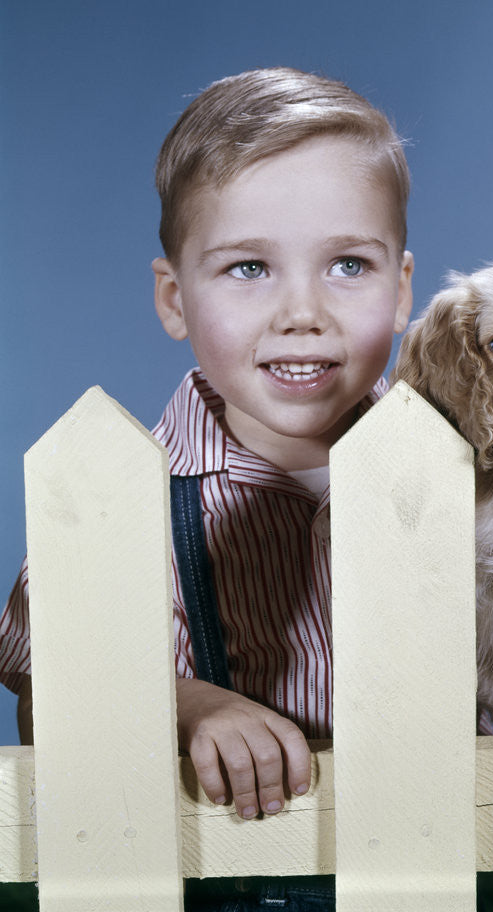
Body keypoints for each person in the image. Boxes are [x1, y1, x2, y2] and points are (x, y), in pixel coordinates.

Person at [0, 67, 415, 911]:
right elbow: (52, 694)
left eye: (347, 264)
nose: (303, 311)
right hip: (230, 871)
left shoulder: (467, 483)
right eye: (248, 269)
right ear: (173, 298)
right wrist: (185, 704)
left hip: (437, 856)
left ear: (402, 287)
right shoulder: (127, 507)